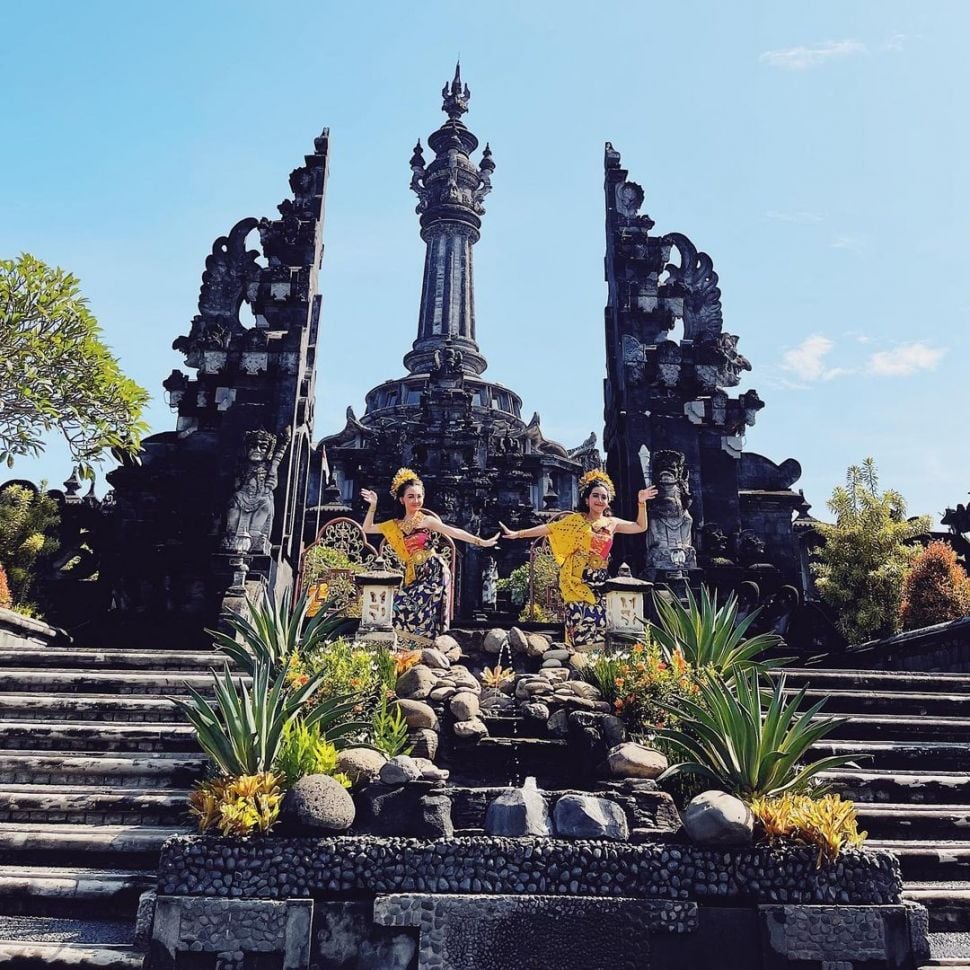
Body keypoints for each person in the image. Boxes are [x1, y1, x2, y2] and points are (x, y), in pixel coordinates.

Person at [500, 469, 657, 646]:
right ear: (587, 500)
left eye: (604, 497)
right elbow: (549, 529)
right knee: (579, 624)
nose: (600, 500)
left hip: (601, 580)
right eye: (595, 496)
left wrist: (641, 502)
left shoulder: (612, 523)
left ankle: (596, 665)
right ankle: (579, 663)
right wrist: (518, 534)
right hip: (577, 580)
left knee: (602, 625)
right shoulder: (574, 521)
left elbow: (640, 526)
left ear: (608, 501)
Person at [361, 468, 498, 642]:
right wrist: (373, 506)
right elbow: (367, 528)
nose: (416, 500)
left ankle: (427, 648)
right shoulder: (394, 525)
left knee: (428, 612)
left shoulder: (426, 520)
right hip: (415, 574)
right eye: (411, 496)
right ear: (402, 499)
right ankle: (407, 646)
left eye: (419, 496)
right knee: (397, 606)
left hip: (434, 572)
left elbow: (454, 532)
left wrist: (480, 541)